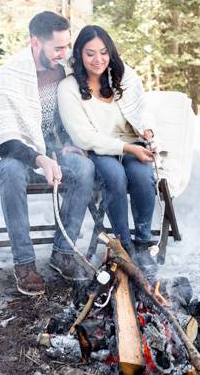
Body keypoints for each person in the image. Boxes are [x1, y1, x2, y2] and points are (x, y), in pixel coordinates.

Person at [0, 12, 95, 296]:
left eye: (67, 47)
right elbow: (3, 139)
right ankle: (25, 264)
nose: (64, 54)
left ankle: (62, 253)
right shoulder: (10, 75)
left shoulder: (64, 70)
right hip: (14, 153)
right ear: (35, 43)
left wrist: (66, 142)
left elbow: (70, 112)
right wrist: (38, 158)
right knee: (12, 172)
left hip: (51, 149)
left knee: (85, 169)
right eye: (58, 48)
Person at [57, 25, 158, 269]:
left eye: (103, 52)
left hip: (131, 144)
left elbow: (142, 111)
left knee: (143, 175)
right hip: (98, 148)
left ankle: (143, 244)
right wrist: (128, 149)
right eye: (90, 53)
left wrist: (148, 130)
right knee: (114, 175)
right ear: (79, 53)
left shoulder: (122, 77)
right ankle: (122, 244)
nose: (98, 59)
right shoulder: (69, 88)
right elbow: (83, 136)